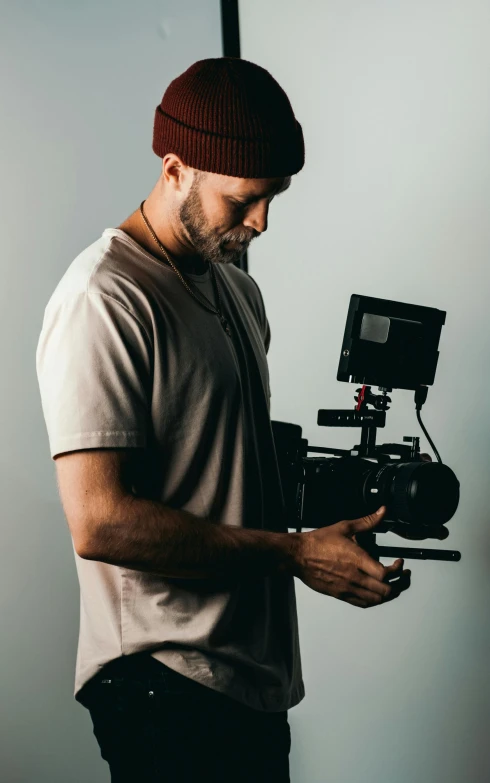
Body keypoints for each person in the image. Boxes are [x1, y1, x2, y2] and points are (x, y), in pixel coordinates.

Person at [36, 57, 411, 783]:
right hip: (162, 682)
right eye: (242, 201)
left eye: (274, 199)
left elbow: (219, 469)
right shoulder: (105, 298)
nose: (262, 221)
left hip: (251, 680)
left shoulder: (238, 291)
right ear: (175, 168)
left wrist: (331, 516)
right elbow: (99, 521)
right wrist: (294, 553)